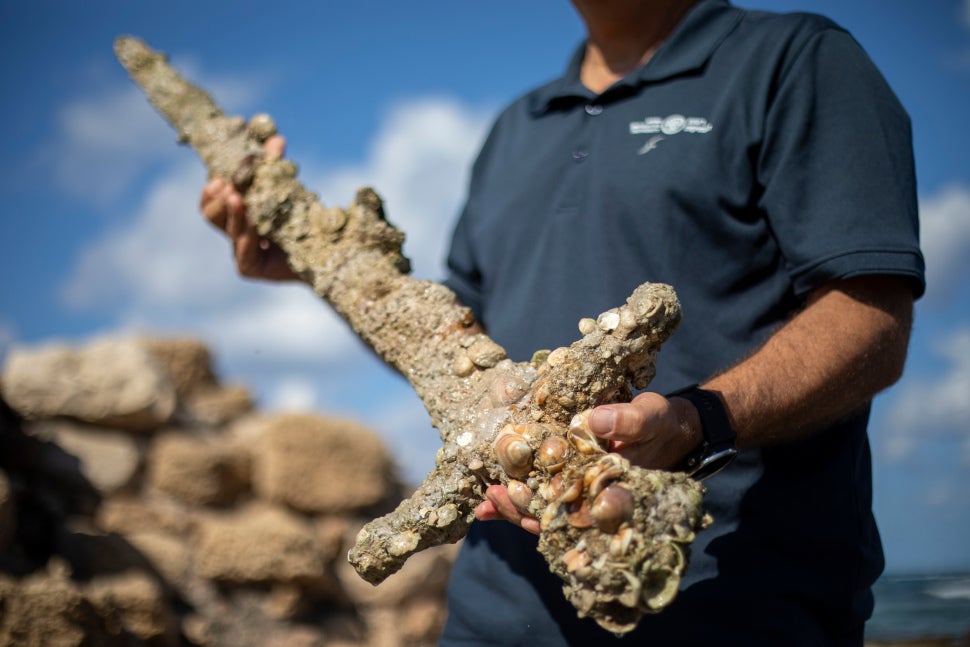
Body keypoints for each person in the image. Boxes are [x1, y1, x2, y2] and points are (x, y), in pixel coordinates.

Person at [201, 0, 924, 644]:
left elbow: (871, 319)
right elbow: (448, 357)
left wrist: (697, 420)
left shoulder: (793, 62)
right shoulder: (517, 126)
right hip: (491, 615)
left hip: (737, 604)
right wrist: (317, 273)